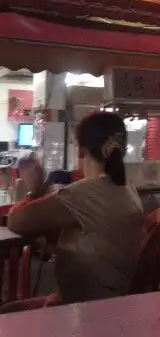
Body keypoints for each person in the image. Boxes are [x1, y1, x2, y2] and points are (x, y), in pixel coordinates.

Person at [5, 112, 145, 310]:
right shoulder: (127, 189)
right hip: (115, 303)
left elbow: (17, 221)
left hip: (84, 311)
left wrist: (34, 189)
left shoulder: (86, 192)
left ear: (81, 150)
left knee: (7, 312)